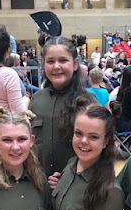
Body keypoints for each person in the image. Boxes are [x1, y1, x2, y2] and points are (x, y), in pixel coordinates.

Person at [29, 33, 96, 178]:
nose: (56, 66)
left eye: (63, 60)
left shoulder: (88, 101)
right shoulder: (36, 100)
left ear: (75, 64)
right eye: (50, 61)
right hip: (40, 181)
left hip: (76, 182)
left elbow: (97, 148)